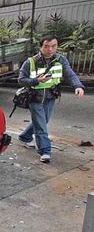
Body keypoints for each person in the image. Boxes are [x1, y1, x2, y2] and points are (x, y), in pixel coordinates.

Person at [17, 35, 85, 163]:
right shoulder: (30, 62)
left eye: (54, 46)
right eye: (46, 46)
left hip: (50, 97)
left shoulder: (61, 60)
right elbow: (21, 80)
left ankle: (25, 137)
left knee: (43, 120)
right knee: (41, 126)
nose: (50, 49)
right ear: (41, 47)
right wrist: (37, 80)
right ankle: (45, 151)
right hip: (34, 98)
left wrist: (77, 86)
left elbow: (69, 74)